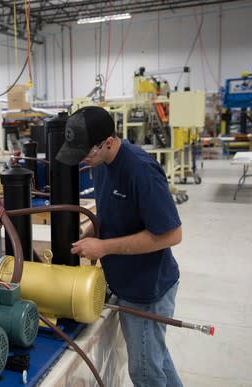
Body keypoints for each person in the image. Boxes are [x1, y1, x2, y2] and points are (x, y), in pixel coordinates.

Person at [56, 106, 183, 387]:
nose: (84, 161)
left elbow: (171, 235)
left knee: (145, 372)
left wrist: (104, 247)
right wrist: (94, 228)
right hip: (126, 282)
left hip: (147, 289)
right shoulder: (100, 164)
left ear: (109, 142)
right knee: (155, 360)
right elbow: (115, 207)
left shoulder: (141, 170)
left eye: (87, 153)